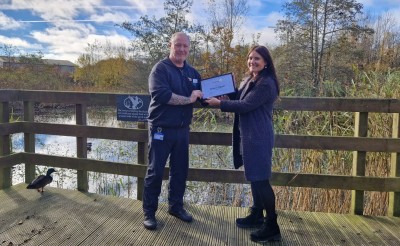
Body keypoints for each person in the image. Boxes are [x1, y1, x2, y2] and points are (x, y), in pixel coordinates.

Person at [205, 45, 281, 243]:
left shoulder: (267, 83)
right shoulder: (250, 79)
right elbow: (239, 97)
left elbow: (246, 105)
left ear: (266, 62)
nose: (252, 62)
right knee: (255, 177)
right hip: (248, 136)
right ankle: (257, 214)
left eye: (257, 59)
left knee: (261, 180)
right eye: (250, 58)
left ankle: (272, 225)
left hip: (259, 137)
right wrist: (225, 95)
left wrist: (219, 103)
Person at [143, 32, 203, 230]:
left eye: (185, 46)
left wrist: (224, 97)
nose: (182, 49)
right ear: (170, 45)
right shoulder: (160, 69)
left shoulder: (193, 73)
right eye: (178, 45)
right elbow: (162, 95)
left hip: (182, 130)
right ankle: (149, 213)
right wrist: (189, 99)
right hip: (161, 129)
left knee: (180, 171)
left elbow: (201, 96)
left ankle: (175, 207)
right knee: (155, 171)